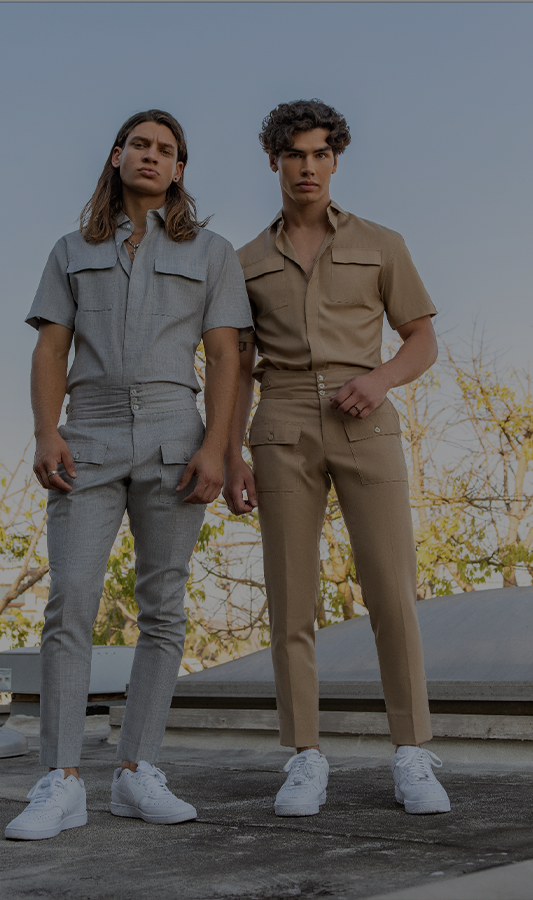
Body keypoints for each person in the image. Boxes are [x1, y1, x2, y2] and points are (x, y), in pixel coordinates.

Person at [5, 109, 252, 840]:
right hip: (89, 431)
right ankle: (62, 780)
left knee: (163, 609)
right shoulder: (70, 249)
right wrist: (46, 431)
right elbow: (51, 348)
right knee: (70, 600)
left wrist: (217, 447)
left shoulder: (212, 252)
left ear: (180, 169)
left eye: (166, 150)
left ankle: (137, 771)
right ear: (117, 157)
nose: (152, 156)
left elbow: (227, 355)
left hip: (176, 431)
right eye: (139, 144)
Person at [224, 99, 450, 818]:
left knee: (391, 589)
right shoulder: (243, 262)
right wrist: (229, 453)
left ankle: (411, 751)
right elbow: (235, 366)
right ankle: (305, 756)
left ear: (335, 160)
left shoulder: (383, 244)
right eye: (295, 154)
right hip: (281, 420)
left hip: (365, 416)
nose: (308, 167)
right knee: (291, 597)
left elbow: (421, 338)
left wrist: (380, 380)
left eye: (321, 153)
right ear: (274, 161)